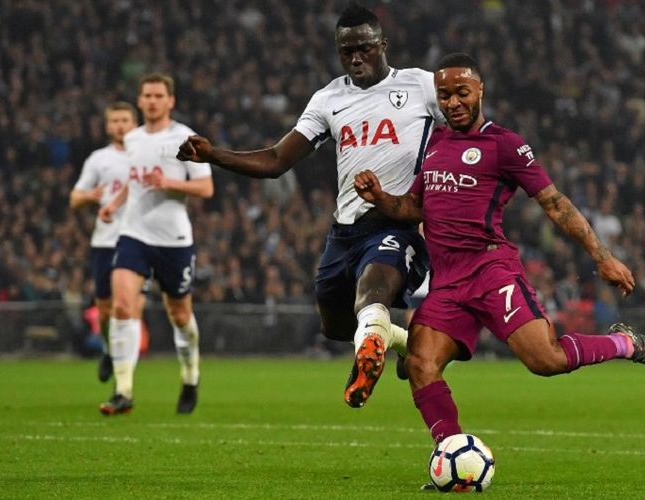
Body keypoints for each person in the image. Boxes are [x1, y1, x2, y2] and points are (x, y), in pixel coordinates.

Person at [353, 53, 645, 449]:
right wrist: (381, 197)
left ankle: (624, 343)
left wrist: (602, 256)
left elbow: (555, 203)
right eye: (444, 95)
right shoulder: (436, 144)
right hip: (447, 282)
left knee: (546, 361)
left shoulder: (504, 145)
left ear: (480, 91)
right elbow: (414, 208)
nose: (453, 103)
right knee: (421, 365)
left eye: (461, 93)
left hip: (491, 270)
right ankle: (452, 453)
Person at [177, 3, 445, 408]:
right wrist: (214, 154)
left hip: (396, 222)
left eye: (365, 48)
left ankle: (372, 349)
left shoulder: (420, 86)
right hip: (344, 232)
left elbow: (465, 125)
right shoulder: (328, 99)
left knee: (372, 292)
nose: (356, 57)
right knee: (336, 326)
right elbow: (275, 161)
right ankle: (401, 342)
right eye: (347, 51)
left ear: (383, 45)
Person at [98, 73, 213, 415]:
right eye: (146, 95)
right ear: (140, 99)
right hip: (134, 234)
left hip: (174, 240)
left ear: (170, 100)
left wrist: (168, 183)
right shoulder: (132, 138)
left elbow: (205, 189)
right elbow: (134, 183)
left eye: (158, 95)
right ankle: (124, 391)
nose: (151, 101)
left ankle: (191, 376)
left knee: (179, 314)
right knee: (121, 306)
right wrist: (113, 205)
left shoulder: (185, 138)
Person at [69, 102, 146, 383]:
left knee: (130, 306)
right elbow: (75, 199)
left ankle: (126, 380)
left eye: (125, 119)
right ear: (107, 126)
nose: (120, 125)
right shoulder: (98, 159)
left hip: (140, 240)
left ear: (134, 122)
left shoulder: (146, 155)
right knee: (104, 311)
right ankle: (109, 349)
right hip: (105, 240)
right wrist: (91, 196)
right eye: (114, 121)